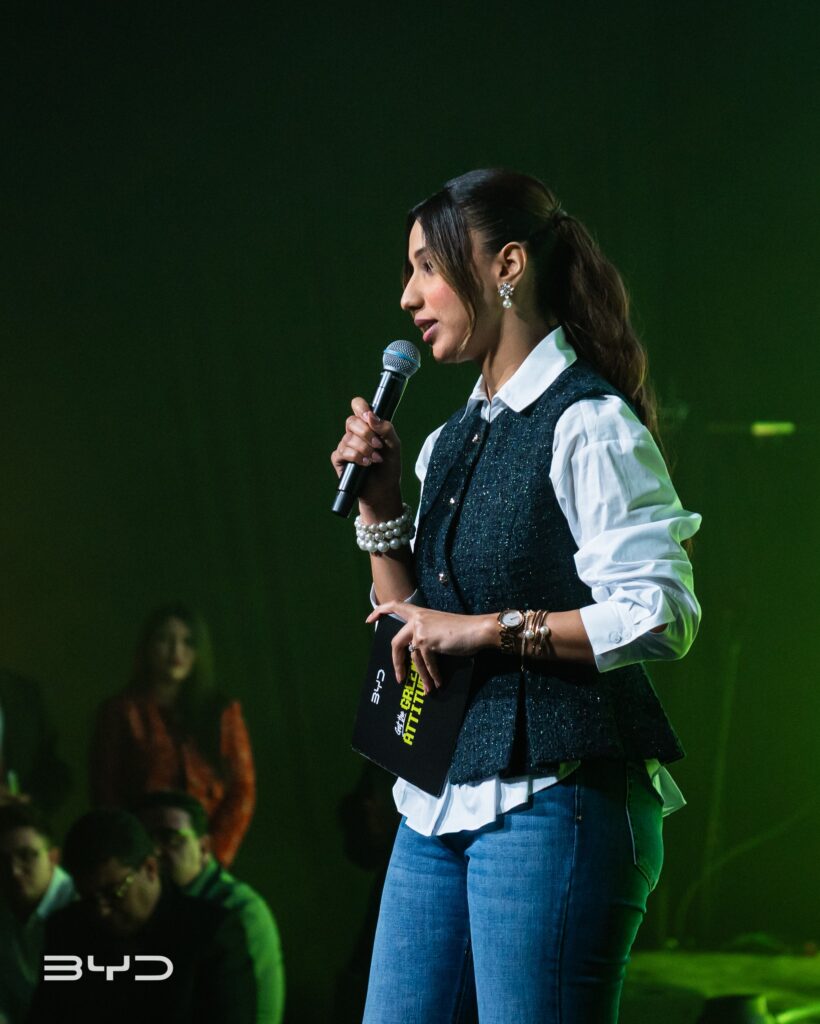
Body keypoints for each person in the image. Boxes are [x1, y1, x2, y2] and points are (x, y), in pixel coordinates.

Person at [331, 168, 701, 1024]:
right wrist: (381, 509)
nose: (408, 296)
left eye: (428, 267)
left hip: (557, 797)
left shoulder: (588, 422)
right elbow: (413, 626)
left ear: (507, 266)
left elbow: (660, 611)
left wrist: (483, 631)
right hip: (439, 799)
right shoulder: (446, 441)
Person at [28, 809, 257, 1024]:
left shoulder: (210, 932)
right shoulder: (67, 929)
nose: (101, 910)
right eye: (88, 898)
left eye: (114, 892)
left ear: (150, 868)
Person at [89, 603, 255, 865]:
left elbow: (242, 789)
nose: (176, 652)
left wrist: (214, 854)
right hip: (144, 854)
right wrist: (133, 853)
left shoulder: (221, 712)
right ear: (147, 647)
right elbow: (106, 790)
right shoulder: (122, 712)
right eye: (164, 640)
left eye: (188, 642)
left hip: (206, 855)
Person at [133, 790, 285, 1024]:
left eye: (170, 838)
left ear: (204, 847)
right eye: (145, 842)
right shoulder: (149, 905)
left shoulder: (240, 910)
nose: (154, 851)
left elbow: (261, 1013)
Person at [0, 805, 75, 1024]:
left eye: (26, 856)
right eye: (2, 861)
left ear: (53, 857)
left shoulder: (82, 904)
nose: (14, 871)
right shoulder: (5, 908)